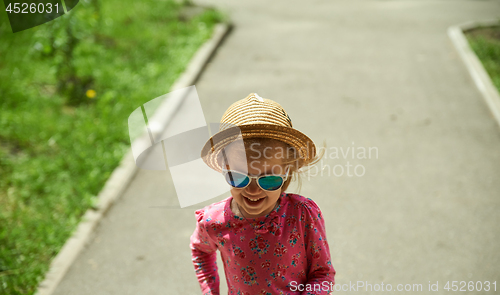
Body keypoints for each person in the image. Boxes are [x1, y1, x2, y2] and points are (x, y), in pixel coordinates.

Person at [190, 93, 335, 295]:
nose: (253, 190)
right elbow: (200, 250)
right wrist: (210, 291)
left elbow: (322, 273)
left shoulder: (302, 215)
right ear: (225, 168)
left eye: (268, 179)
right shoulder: (213, 221)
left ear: (287, 172)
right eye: (239, 177)